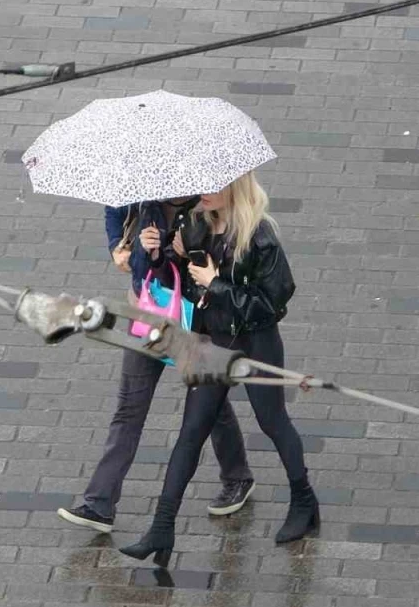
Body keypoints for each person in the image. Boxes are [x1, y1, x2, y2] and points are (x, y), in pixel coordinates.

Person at [119, 172, 317, 567]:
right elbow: (181, 284)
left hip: (255, 341)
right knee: (191, 430)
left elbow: (273, 304)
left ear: (234, 188)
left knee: (272, 420)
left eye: (211, 186)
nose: (201, 192)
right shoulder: (194, 223)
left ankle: (304, 502)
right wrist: (161, 256)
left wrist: (216, 283)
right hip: (212, 340)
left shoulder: (259, 236)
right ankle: (161, 527)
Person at [57, 197, 254, 534]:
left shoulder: (209, 205)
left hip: (192, 320)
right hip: (148, 312)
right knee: (129, 407)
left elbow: (221, 268)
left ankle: (237, 476)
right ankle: (98, 504)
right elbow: (114, 210)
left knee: (208, 404)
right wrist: (118, 248)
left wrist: (184, 250)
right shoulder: (141, 190)